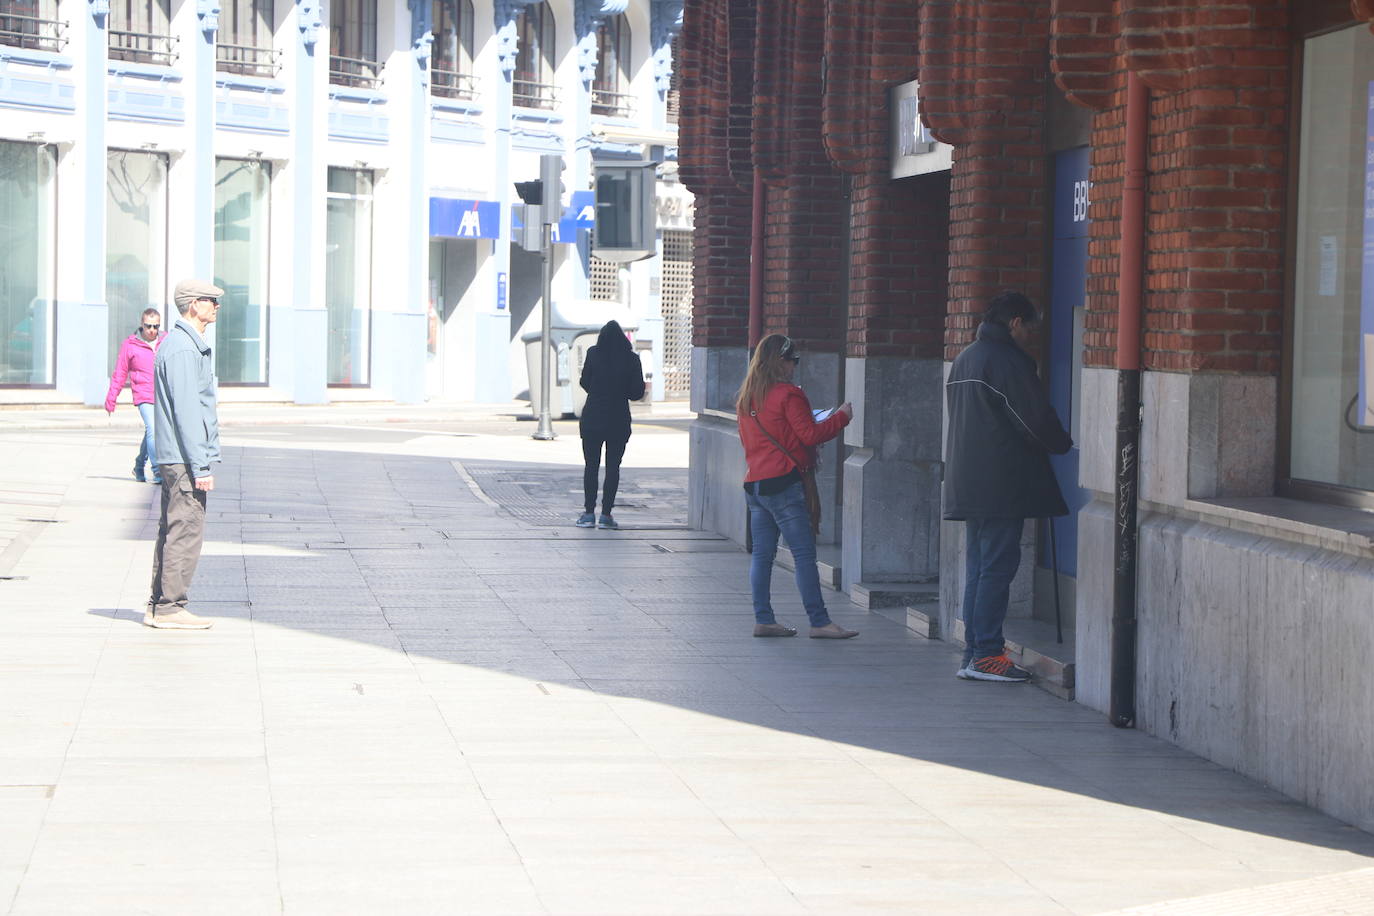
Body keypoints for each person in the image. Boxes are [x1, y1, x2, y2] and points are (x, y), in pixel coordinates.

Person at [943, 291, 1073, 681]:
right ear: (1015, 322)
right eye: (1031, 327)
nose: (1033, 335)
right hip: (1000, 482)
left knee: (980, 568)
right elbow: (1031, 418)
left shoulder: (966, 358)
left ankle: (974, 653)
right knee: (996, 569)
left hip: (971, 481)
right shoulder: (1007, 362)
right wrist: (1062, 443)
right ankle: (985, 654)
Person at [736, 333, 857, 639]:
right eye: (793, 360)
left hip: (755, 484)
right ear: (780, 361)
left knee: (763, 555)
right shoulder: (789, 395)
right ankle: (820, 622)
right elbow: (810, 435)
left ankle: (763, 618)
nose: (794, 366)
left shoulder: (747, 396)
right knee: (803, 555)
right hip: (784, 483)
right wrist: (841, 417)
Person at [145, 279, 224, 630]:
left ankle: (159, 604)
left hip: (177, 454)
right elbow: (188, 413)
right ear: (194, 305)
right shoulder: (183, 348)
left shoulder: (183, 344)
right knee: (186, 529)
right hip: (183, 456)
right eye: (211, 301)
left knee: (173, 527)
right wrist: (201, 464)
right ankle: (170, 607)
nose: (216, 306)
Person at [576, 320, 645, 530]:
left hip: (593, 417)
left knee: (591, 466)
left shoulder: (593, 354)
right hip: (618, 419)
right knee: (613, 467)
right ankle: (606, 515)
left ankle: (588, 514)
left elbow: (584, 382)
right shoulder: (632, 359)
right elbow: (637, 393)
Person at [104, 308, 165, 484]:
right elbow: (120, 373)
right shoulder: (130, 345)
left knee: (151, 432)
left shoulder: (166, 340)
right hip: (143, 394)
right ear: (141, 325)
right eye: (148, 326)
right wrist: (111, 398)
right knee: (154, 430)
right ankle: (158, 471)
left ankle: (139, 465)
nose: (152, 330)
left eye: (156, 326)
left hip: (162, 394)